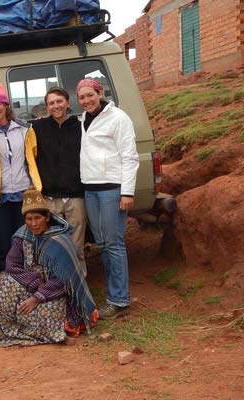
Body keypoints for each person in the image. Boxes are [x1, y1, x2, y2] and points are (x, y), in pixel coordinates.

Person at [0, 186, 98, 348]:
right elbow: (12, 265)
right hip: (34, 286)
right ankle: (14, 328)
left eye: (37, 218)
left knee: (47, 313)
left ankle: (55, 334)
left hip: (55, 293)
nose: (33, 224)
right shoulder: (22, 236)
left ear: (47, 217)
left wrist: (38, 297)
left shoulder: (61, 240)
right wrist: (35, 284)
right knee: (4, 280)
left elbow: (64, 280)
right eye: (29, 219)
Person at [76, 78, 140, 320]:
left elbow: (130, 157)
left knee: (113, 244)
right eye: (82, 97)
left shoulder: (118, 118)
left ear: (99, 92)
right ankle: (115, 296)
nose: (86, 100)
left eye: (90, 95)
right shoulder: (84, 119)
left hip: (112, 189)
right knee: (102, 244)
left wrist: (127, 192)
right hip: (91, 188)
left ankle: (120, 300)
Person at [0, 81, 42, 273]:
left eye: (0, 104)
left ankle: (28, 282)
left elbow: (33, 155)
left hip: (24, 194)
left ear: (7, 105)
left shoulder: (24, 129)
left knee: (26, 243)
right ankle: (9, 284)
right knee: (4, 245)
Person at [30, 87, 87, 276]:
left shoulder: (80, 126)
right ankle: (56, 285)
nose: (56, 106)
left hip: (75, 197)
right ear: (46, 107)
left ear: (68, 103)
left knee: (76, 245)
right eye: (51, 103)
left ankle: (78, 284)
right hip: (49, 198)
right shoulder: (37, 128)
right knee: (53, 245)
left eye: (59, 101)